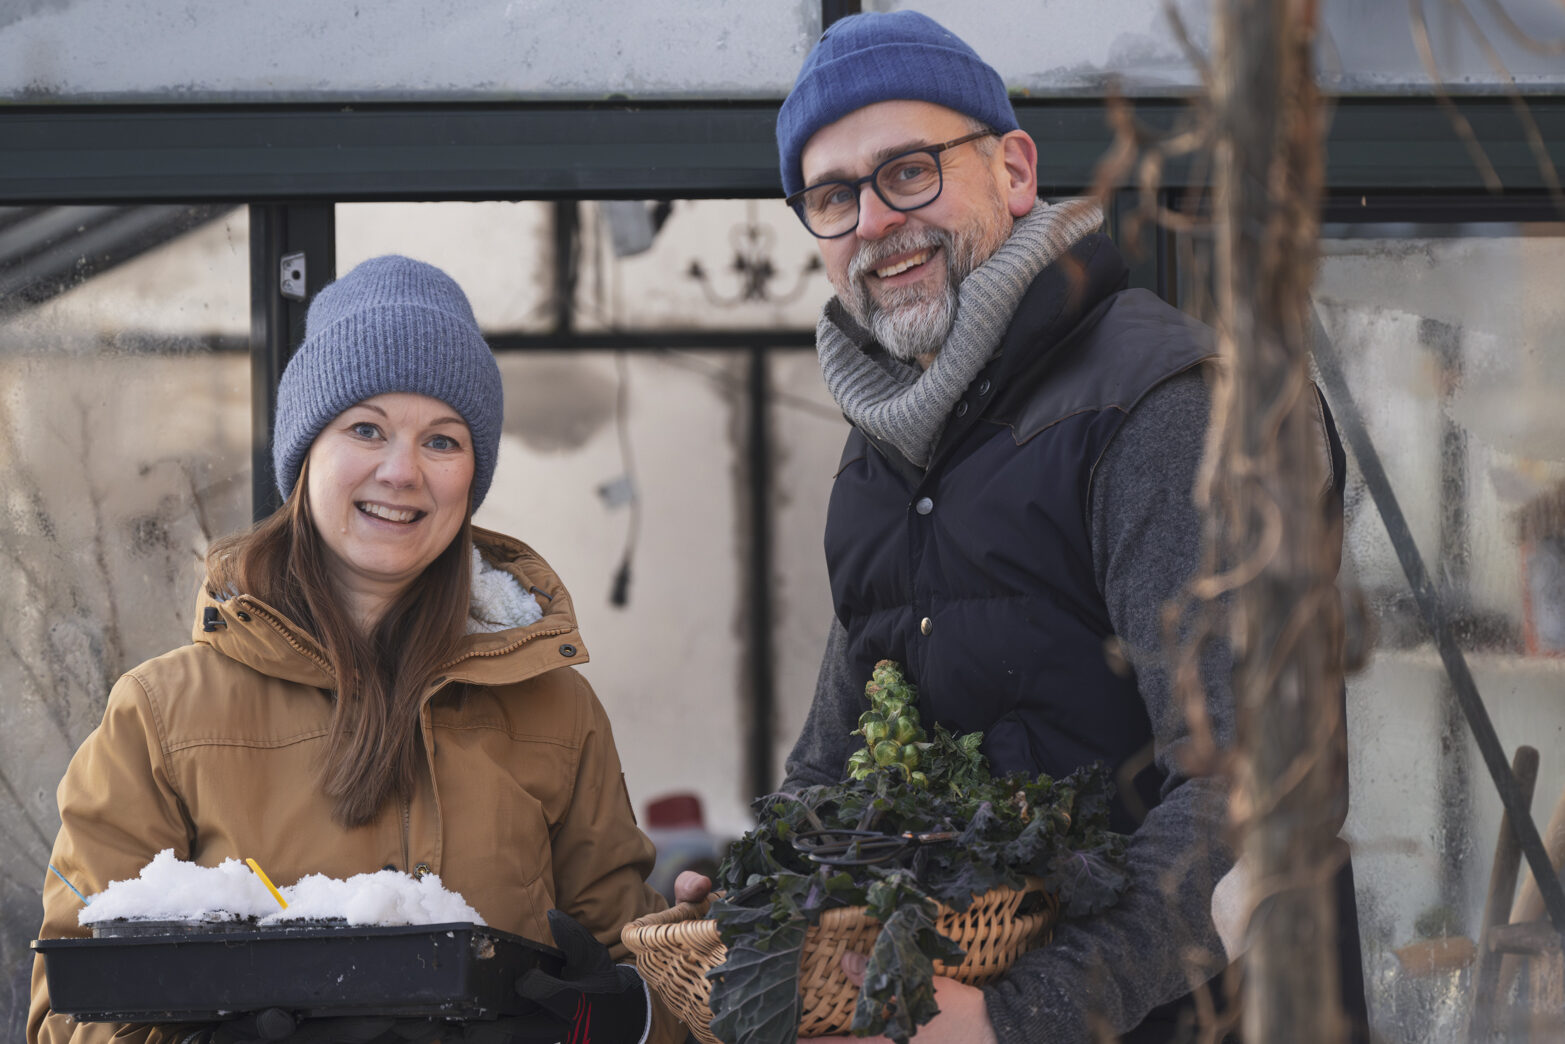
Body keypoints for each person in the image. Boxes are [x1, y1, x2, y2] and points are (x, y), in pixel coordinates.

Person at [682, 10, 1366, 1043]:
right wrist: (755, 898)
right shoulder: (882, 457)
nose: (872, 221)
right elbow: (833, 772)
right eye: (831, 197)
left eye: (907, 171)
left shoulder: (1165, 403)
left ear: (1011, 169)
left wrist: (1021, 1016)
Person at [28, 256, 692, 1044]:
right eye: (366, 429)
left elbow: (636, 965)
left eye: (442, 440)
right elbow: (71, 1008)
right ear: (306, 452)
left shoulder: (556, 707)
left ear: (472, 475)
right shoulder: (162, 716)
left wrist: (630, 1009)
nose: (402, 471)